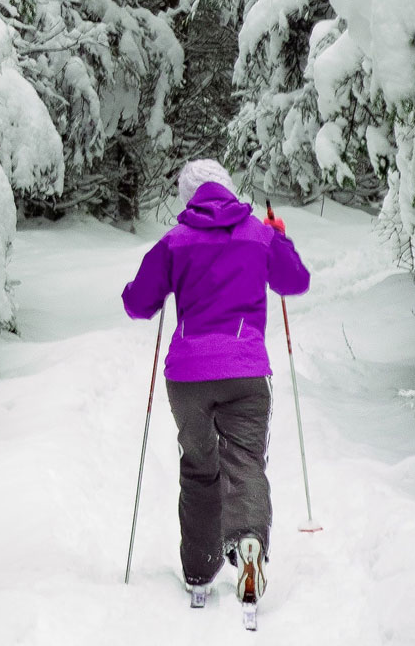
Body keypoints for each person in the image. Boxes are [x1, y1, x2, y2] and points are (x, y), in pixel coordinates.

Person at [121, 160, 310, 608]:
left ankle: (200, 570)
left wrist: (160, 283)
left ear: (189, 198)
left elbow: (137, 304)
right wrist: (279, 237)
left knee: (200, 467)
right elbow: (295, 281)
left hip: (187, 377)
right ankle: (248, 544)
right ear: (228, 189)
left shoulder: (175, 241)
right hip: (245, 371)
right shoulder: (258, 234)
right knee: (245, 461)